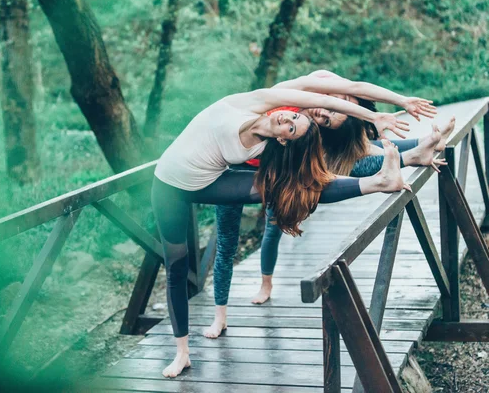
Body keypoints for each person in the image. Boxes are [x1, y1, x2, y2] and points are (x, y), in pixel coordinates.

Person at [152, 84, 422, 378]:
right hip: (168, 189)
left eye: (293, 128)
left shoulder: (268, 147)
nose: (288, 121)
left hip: (210, 182)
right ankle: (182, 354)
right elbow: (320, 95)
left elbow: (321, 164)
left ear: (284, 140)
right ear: (282, 110)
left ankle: (379, 183)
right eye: (291, 117)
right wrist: (373, 117)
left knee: (300, 186)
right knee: (176, 269)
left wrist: (381, 151)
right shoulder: (252, 102)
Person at [203, 73, 455, 340]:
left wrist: (399, 153)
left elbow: (362, 152)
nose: (323, 112)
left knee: (275, 228)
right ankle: (222, 315)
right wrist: (400, 101)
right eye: (334, 105)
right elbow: (354, 87)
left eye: (326, 118)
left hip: (270, 178)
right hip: (231, 174)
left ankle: (417, 150)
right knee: (227, 245)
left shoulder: (309, 131)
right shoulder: (289, 103)